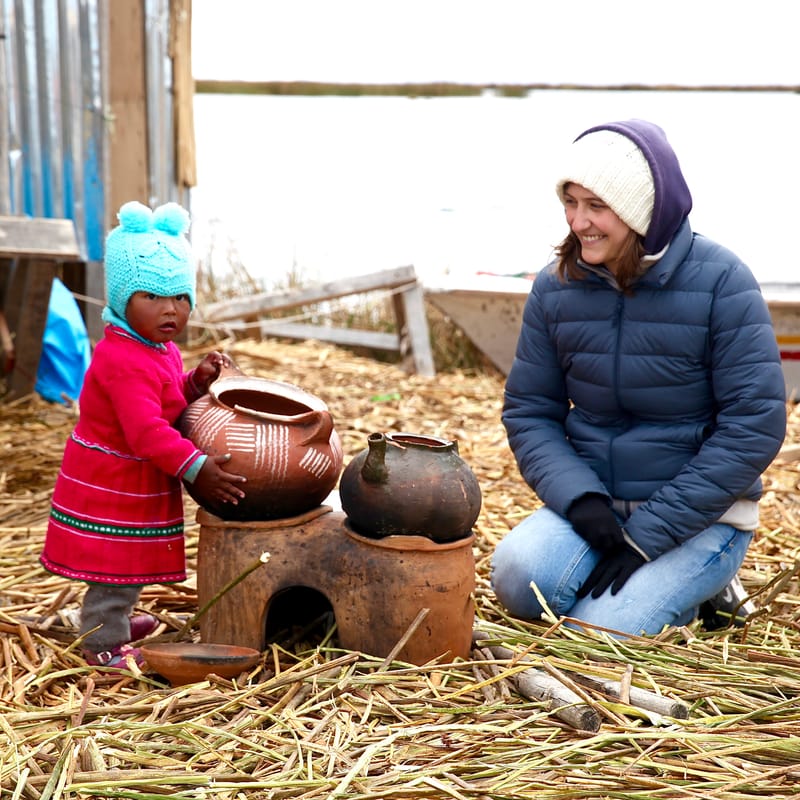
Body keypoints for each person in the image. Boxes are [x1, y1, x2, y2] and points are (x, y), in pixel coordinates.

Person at [491, 119, 786, 637]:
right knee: (517, 578)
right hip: (596, 507)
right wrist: (581, 501)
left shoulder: (722, 282)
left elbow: (754, 426)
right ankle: (649, 588)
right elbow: (530, 411)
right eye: (571, 202)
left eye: (596, 207)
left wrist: (648, 535)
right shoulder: (555, 287)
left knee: (601, 635)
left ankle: (709, 587)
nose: (578, 221)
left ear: (639, 211)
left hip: (700, 517)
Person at [40, 200, 247, 669]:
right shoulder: (124, 360)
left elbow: (167, 398)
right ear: (120, 297)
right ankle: (102, 641)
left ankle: (112, 618)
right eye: (151, 297)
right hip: (113, 480)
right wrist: (197, 468)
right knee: (113, 562)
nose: (169, 309)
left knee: (126, 561)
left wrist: (197, 381)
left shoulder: (157, 348)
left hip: (131, 476)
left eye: (179, 297)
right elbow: (147, 430)